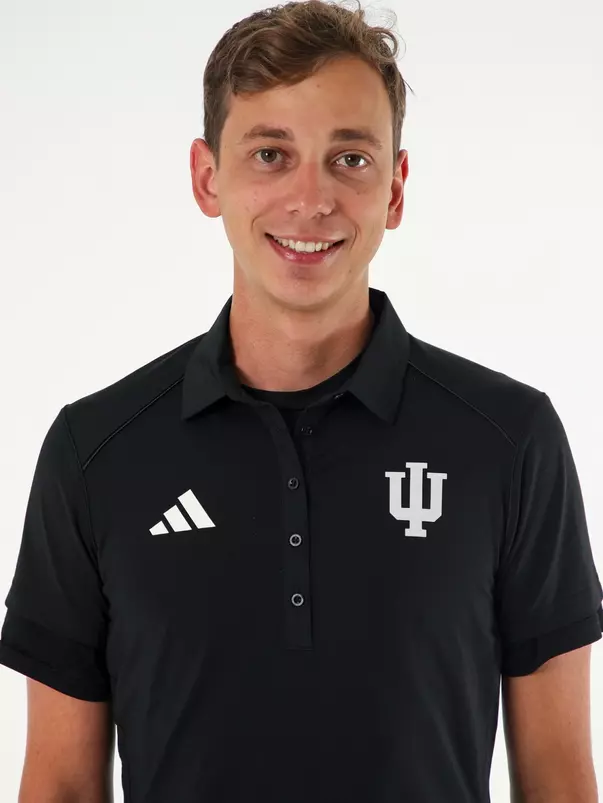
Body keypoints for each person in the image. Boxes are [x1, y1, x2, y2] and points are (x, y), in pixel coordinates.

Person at [1, 1, 601, 801]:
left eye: (349, 159)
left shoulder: (509, 440)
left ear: (394, 188)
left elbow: (559, 779)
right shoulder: (95, 451)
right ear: (206, 178)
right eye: (271, 154)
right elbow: (61, 787)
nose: (310, 198)